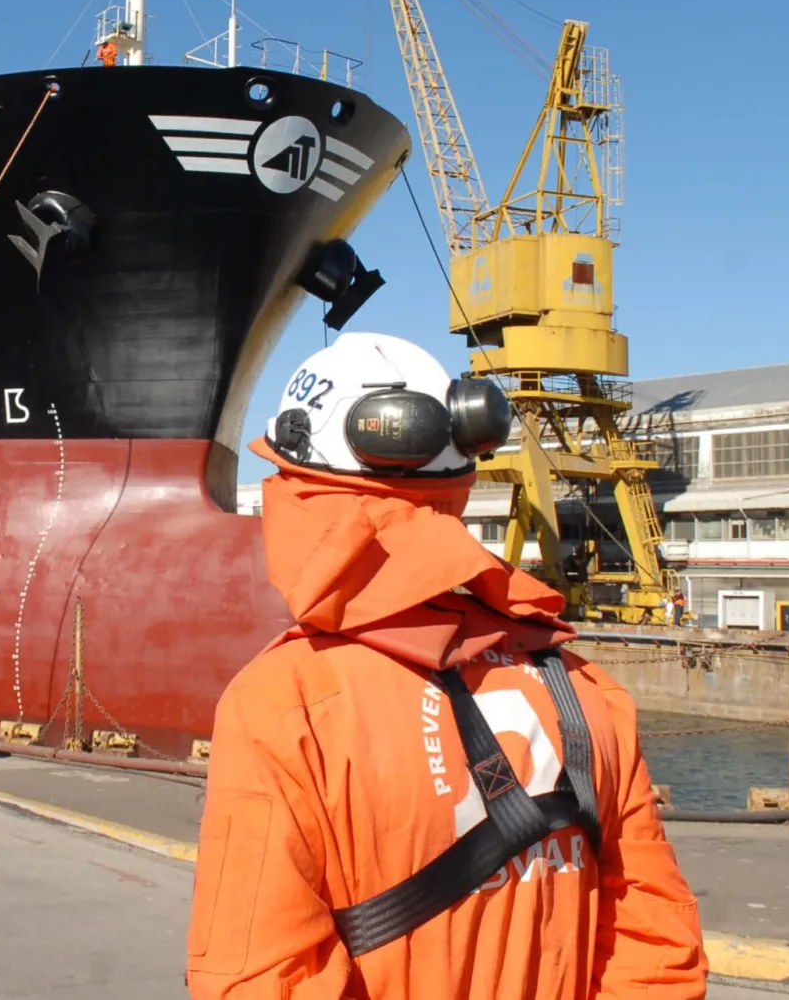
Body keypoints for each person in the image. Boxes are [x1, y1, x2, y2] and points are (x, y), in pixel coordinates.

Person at [187, 333, 705, 999]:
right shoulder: (584, 687)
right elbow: (656, 946)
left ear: (298, 484)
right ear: (460, 475)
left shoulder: (284, 704)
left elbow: (255, 978)